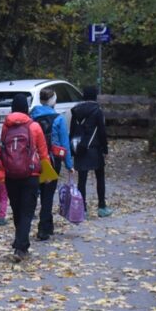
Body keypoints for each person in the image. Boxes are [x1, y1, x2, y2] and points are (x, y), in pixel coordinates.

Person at [0, 93, 49, 261]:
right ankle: (21, 247)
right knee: (27, 211)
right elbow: (43, 152)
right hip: (31, 174)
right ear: (27, 108)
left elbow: (3, 148)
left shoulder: (6, 126)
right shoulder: (34, 127)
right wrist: (47, 174)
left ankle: (20, 242)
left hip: (11, 174)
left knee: (18, 210)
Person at [30, 87, 69, 241]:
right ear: (53, 101)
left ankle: (48, 225)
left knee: (38, 192)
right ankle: (43, 228)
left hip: (35, 160)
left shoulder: (32, 117)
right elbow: (64, 144)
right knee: (48, 194)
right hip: (53, 160)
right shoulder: (58, 119)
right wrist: (69, 164)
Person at [69, 85, 111, 217]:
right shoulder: (97, 111)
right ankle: (102, 207)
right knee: (100, 177)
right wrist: (105, 149)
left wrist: (72, 150)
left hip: (80, 148)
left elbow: (73, 131)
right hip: (95, 148)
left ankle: (83, 209)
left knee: (82, 180)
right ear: (95, 96)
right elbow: (102, 131)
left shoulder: (75, 111)